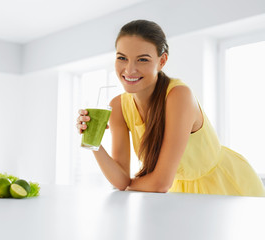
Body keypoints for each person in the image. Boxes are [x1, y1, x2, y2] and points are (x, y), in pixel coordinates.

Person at [76, 19, 265, 197]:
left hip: (224, 187)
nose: (129, 69)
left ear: (162, 61)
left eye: (142, 59)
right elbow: (121, 179)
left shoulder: (178, 96)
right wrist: (93, 140)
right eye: (122, 58)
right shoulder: (117, 106)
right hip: (178, 193)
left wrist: (129, 185)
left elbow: (159, 183)